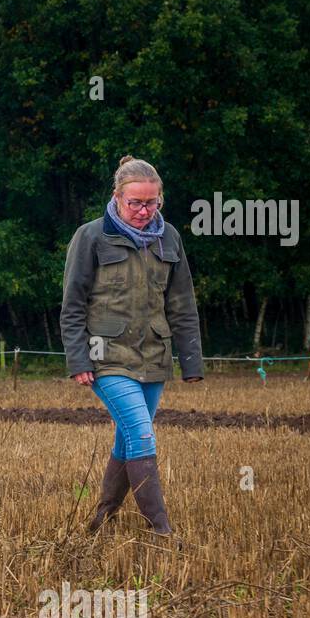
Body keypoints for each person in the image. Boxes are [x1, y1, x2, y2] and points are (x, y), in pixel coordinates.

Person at [60, 156, 204, 539]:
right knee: (141, 434)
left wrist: (191, 361)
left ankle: (102, 518)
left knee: (127, 438)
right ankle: (161, 529)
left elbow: (182, 304)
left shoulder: (169, 237)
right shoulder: (90, 237)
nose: (143, 211)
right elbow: (72, 305)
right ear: (117, 198)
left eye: (151, 203)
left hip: (154, 356)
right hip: (105, 356)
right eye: (135, 203)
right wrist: (78, 359)